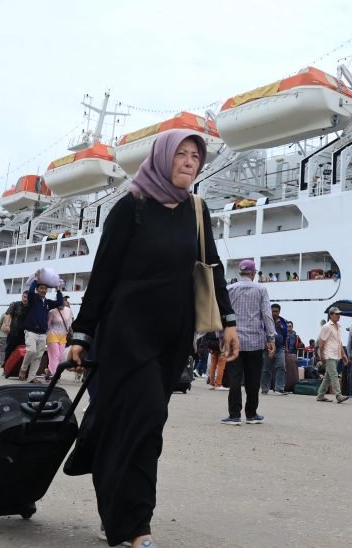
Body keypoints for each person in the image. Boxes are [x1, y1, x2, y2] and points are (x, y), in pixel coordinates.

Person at [63, 129, 238, 548]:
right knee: (143, 422)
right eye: (181, 153)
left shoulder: (196, 209)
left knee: (142, 424)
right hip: (126, 333)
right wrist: (82, 333)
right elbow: (103, 274)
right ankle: (136, 527)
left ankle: (117, 509)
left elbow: (212, 267)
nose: (189, 162)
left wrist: (229, 322)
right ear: (162, 157)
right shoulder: (132, 206)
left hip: (172, 336)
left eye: (195, 156)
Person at [223, 259, 274, 425]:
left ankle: (234, 415)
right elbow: (267, 315)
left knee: (235, 378)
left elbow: (222, 314)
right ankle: (251, 414)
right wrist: (271, 338)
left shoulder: (229, 289)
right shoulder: (261, 290)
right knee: (253, 379)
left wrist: (220, 336)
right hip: (255, 341)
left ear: (240, 272)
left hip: (234, 341)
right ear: (253, 273)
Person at [20, 268, 65, 383]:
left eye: (45, 289)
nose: (43, 290)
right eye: (41, 288)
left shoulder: (47, 302)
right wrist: (35, 279)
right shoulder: (33, 299)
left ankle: (31, 377)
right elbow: (30, 292)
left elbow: (59, 302)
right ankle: (23, 369)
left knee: (38, 356)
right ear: (37, 289)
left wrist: (58, 290)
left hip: (42, 333)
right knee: (31, 351)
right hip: (31, 331)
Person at [316, 307, 350, 403]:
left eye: (339, 314)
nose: (339, 316)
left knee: (328, 377)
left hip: (336, 354)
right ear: (331, 315)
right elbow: (321, 342)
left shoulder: (338, 327)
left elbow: (339, 342)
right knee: (334, 375)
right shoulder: (327, 326)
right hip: (329, 354)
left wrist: (344, 355)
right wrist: (322, 355)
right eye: (336, 314)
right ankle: (339, 395)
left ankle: (320, 395)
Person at [261, 302, 288, 396]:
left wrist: (286, 347)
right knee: (266, 369)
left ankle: (279, 388)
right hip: (267, 348)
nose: (275, 313)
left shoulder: (283, 321)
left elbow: (285, 335)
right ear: (270, 311)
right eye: (273, 311)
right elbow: (261, 333)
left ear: (279, 312)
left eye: (277, 311)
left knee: (281, 366)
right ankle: (265, 389)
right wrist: (265, 345)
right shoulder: (265, 321)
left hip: (280, 349)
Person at [46, 296, 73, 378]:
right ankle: (55, 375)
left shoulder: (68, 310)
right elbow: (48, 325)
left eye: (63, 300)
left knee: (61, 357)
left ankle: (48, 370)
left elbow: (70, 322)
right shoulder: (52, 311)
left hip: (63, 336)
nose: (62, 302)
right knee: (55, 355)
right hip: (52, 335)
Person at [0, 293, 28, 367]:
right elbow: (8, 314)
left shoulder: (31, 306)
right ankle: (6, 366)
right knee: (9, 349)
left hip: (26, 334)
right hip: (14, 332)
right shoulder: (15, 304)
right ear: (22, 297)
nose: (25, 299)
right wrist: (7, 325)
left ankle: (17, 367)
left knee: (23, 351)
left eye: (27, 298)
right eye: (24, 297)